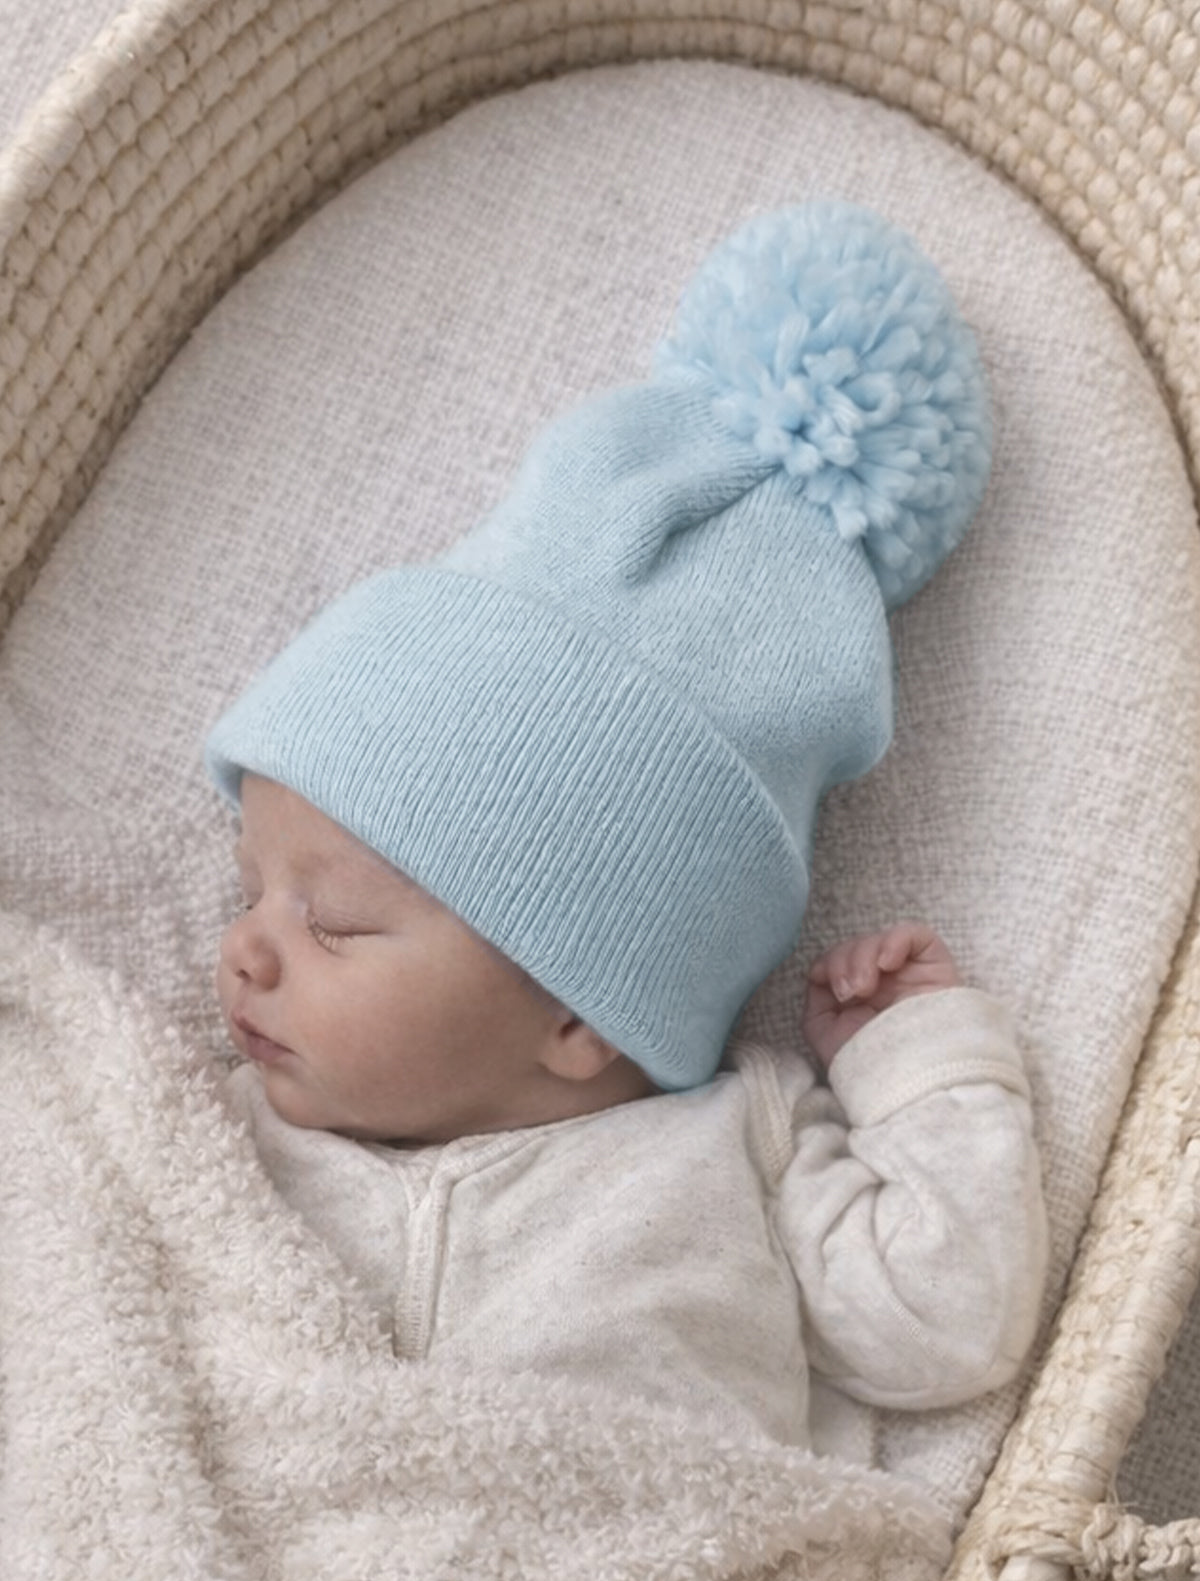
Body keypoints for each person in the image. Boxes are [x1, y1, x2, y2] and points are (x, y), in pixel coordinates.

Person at [206, 200, 1047, 1453]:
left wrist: (914, 1059)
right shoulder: (223, 1147)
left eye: (328, 920)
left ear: (578, 1011)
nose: (244, 950)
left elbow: (945, 1324)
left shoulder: (738, 1152)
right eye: (252, 891)